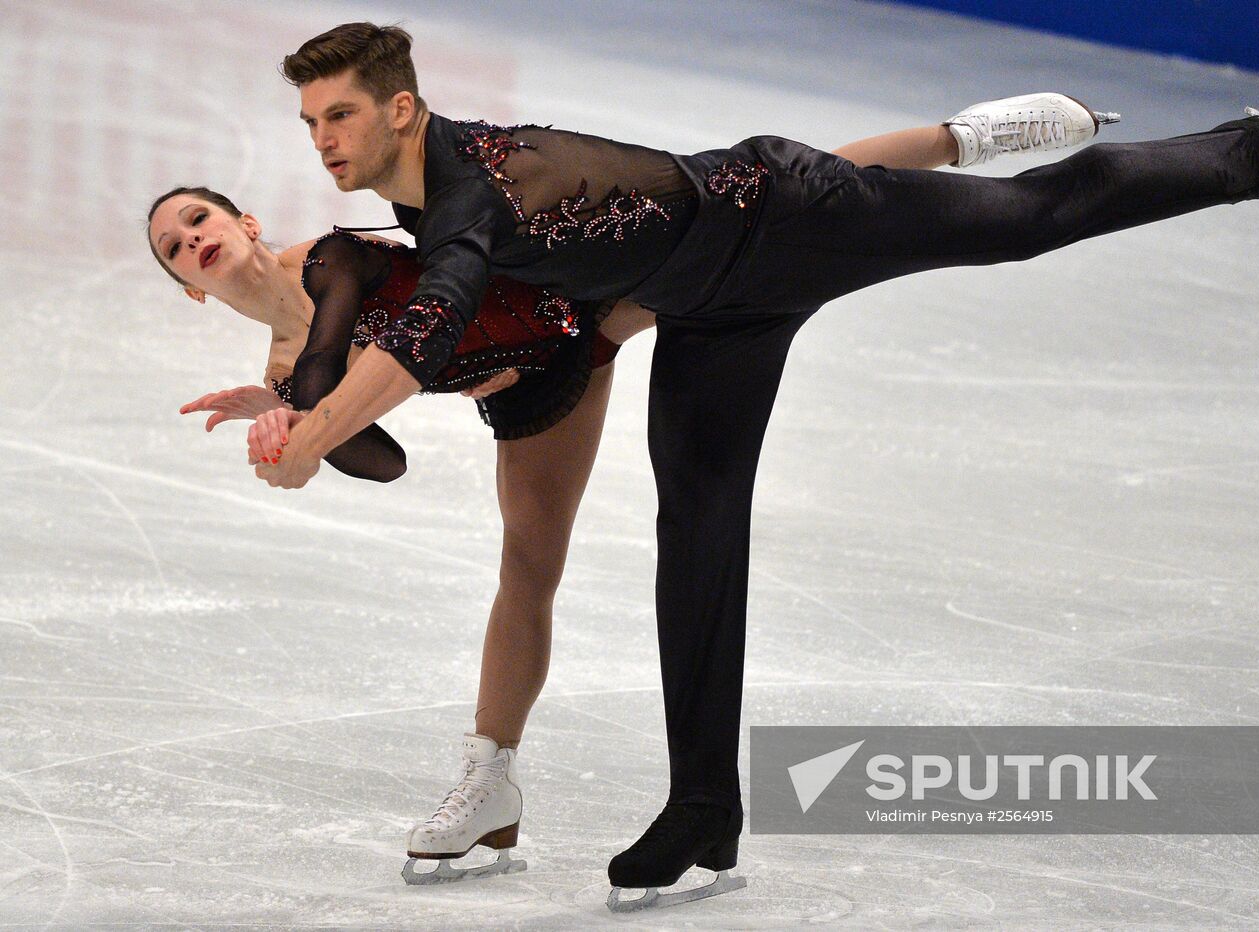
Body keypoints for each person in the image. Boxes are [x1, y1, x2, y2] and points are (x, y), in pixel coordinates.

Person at [254, 21, 1259, 910]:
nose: (323, 141)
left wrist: (308, 439)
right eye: (310, 123)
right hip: (713, 308)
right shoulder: (433, 196)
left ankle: (1235, 153)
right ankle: (702, 805)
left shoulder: (468, 199)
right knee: (696, 529)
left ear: (400, 107)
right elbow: (415, 322)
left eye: (340, 115)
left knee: (1021, 220)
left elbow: (429, 330)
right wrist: (295, 393)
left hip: (791, 211)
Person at [151, 93, 1070, 885]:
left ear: (247, 223)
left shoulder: (328, 260)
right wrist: (280, 424)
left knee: (769, 204)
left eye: (199, 219)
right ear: (187, 289)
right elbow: (381, 460)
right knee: (528, 565)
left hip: (576, 286)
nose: (194, 240)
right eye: (174, 247)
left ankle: (962, 139)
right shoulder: (282, 370)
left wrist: (299, 416)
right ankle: (490, 781)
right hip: (544, 381)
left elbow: (348, 345)